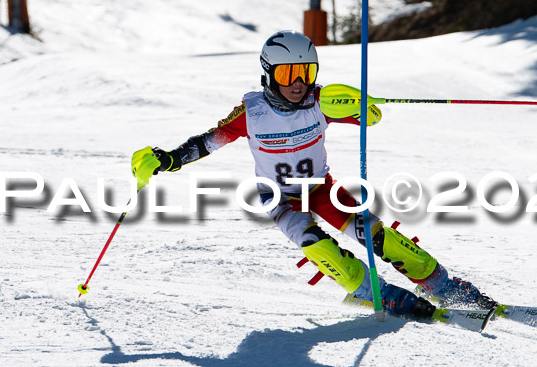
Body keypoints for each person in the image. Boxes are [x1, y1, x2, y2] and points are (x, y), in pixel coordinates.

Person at [132, 30, 497, 318]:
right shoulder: (252, 113)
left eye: (306, 73)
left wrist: (362, 104)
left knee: (373, 234)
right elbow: (207, 143)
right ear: (269, 74)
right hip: (280, 197)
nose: (298, 83)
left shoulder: (321, 101)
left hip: (322, 188)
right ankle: (373, 293)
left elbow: (369, 118)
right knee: (315, 243)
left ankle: (441, 285)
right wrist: (168, 160)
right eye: (289, 73)